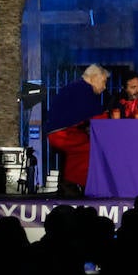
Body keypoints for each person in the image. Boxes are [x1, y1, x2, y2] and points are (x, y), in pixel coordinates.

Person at [44, 64, 110, 192]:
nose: (104, 87)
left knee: (86, 143)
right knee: (91, 148)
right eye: (104, 81)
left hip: (60, 131)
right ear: (94, 77)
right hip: (62, 133)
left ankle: (71, 183)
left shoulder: (77, 88)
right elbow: (97, 117)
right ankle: (75, 184)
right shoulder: (84, 90)